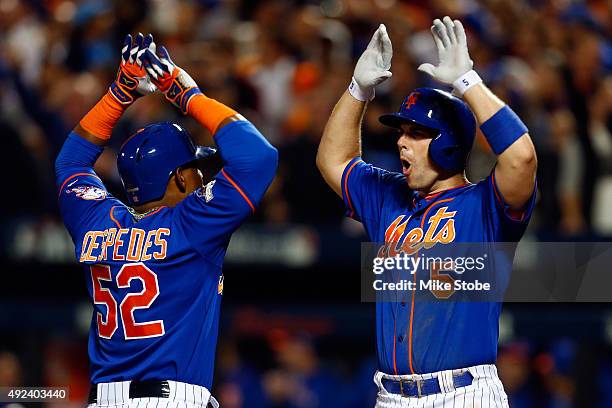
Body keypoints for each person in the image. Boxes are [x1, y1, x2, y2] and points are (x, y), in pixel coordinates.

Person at [316, 18, 537, 407]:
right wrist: (358, 90)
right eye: (401, 132)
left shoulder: (485, 206)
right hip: (391, 395)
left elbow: (521, 158)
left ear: (449, 144)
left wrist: (468, 82)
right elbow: (333, 160)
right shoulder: (389, 197)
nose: (401, 141)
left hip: (464, 394)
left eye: (416, 133)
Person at [55, 33, 278, 407]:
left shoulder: (96, 220)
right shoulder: (193, 224)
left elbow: (71, 162)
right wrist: (184, 92)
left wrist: (120, 92)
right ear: (179, 178)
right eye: (196, 169)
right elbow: (259, 156)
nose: (203, 177)